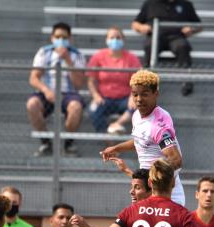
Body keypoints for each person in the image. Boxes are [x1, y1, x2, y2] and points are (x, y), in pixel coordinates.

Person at [100, 70, 185, 206]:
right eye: (135, 95)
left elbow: (176, 160)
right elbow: (142, 141)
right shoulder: (136, 115)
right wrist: (117, 148)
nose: (139, 99)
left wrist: (153, 183)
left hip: (166, 197)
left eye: (144, 94)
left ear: (156, 94)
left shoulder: (159, 125)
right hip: (145, 188)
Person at [27, 22, 86, 157]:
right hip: (47, 92)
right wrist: (46, 91)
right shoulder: (44, 52)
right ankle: (46, 143)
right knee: (32, 105)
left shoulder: (77, 55)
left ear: (70, 39)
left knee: (76, 107)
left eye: (64, 37)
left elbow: (78, 84)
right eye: (57, 36)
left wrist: (68, 60)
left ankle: (68, 143)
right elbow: (33, 78)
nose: (60, 40)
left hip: (69, 93)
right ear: (52, 38)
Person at [132, 0, 202, 96]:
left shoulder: (186, 4)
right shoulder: (150, 3)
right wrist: (142, 27)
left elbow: (199, 25)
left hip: (176, 37)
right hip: (155, 37)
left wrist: (192, 29)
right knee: (149, 46)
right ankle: (146, 81)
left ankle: (186, 80)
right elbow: (135, 24)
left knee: (183, 46)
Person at [86, 26, 140, 135]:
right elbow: (90, 81)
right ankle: (108, 141)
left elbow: (137, 81)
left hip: (124, 99)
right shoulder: (98, 56)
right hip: (104, 99)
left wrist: (132, 97)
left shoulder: (131, 58)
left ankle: (116, 124)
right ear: (106, 40)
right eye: (112, 37)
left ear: (123, 40)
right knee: (92, 111)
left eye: (118, 37)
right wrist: (96, 95)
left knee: (140, 106)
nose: (115, 40)